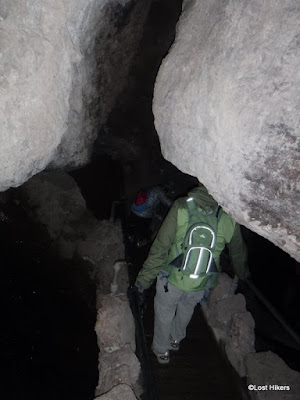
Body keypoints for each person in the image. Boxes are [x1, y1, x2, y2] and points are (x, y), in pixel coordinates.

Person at [133, 183, 249, 364]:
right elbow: (238, 253)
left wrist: (143, 281)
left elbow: (160, 248)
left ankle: (161, 351)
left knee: (165, 311)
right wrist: (242, 274)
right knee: (186, 309)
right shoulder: (227, 217)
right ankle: (176, 339)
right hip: (201, 281)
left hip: (171, 278)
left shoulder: (181, 207)